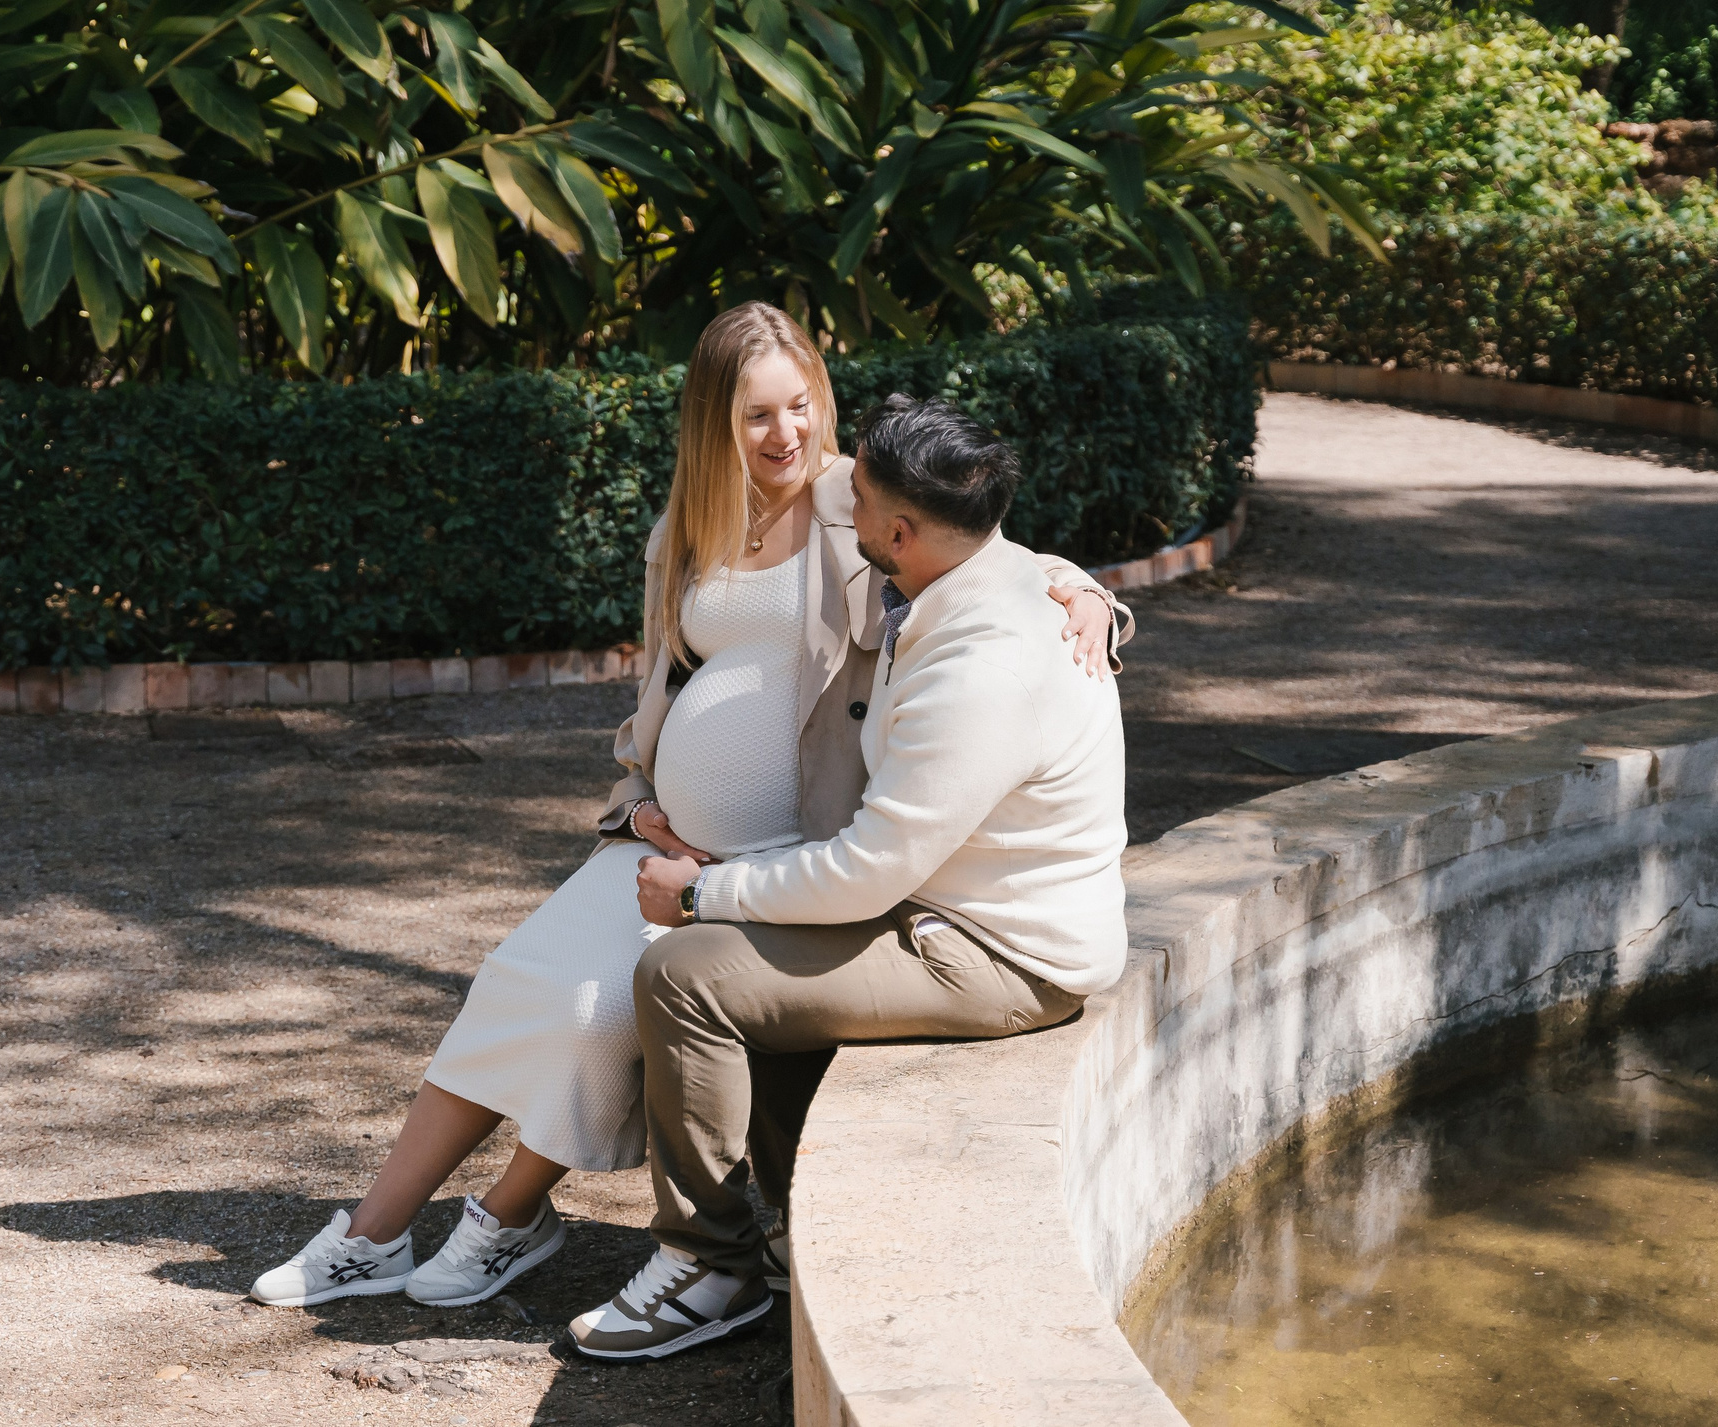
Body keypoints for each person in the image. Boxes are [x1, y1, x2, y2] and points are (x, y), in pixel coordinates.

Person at [248, 307, 1131, 1311]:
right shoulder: (686, 529)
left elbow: (991, 551)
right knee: (518, 980)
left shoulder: (862, 501)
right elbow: (657, 698)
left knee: (598, 1010)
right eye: (757, 415)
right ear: (714, 421)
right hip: (672, 841)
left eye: (801, 406)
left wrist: (1090, 596)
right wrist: (639, 808)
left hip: (790, 850)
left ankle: (509, 1220)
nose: (786, 434)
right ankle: (374, 1234)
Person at [563, 393, 1131, 1362]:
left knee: (686, 975)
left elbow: (867, 872)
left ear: (898, 533)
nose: (840, 497)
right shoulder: (991, 575)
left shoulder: (983, 662)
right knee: (744, 954)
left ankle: (710, 1262)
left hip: (1000, 955)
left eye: (856, 494)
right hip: (945, 906)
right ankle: (780, 1233)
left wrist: (700, 891)